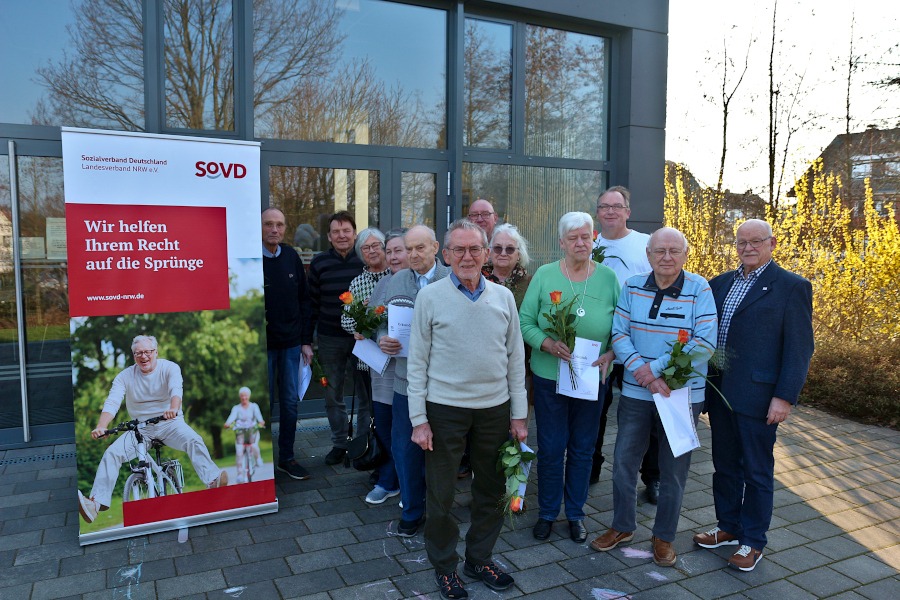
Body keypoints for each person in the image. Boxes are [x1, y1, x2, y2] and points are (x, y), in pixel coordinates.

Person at [408, 219, 528, 600]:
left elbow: (514, 360)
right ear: (446, 255)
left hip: (494, 410)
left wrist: (519, 414)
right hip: (444, 410)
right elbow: (417, 363)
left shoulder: (503, 297)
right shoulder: (430, 297)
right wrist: (418, 420)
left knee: (491, 490)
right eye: (458, 249)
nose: (467, 256)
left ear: (486, 253)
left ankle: (478, 559)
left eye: (475, 249)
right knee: (441, 495)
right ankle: (445, 567)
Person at [591, 227, 717, 568]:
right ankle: (622, 526)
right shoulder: (632, 287)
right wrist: (642, 373)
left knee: (673, 470)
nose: (666, 257)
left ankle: (664, 537)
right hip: (635, 393)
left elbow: (705, 342)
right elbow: (619, 333)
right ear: (648, 255)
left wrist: (655, 370)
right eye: (659, 250)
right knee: (622, 463)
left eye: (674, 250)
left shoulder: (699, 288)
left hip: (680, 396)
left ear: (685, 254)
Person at [692, 219, 813, 572]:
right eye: (741, 242)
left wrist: (785, 397)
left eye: (756, 241)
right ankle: (728, 526)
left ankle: (753, 541)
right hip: (720, 394)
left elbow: (799, 348)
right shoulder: (720, 283)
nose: (747, 248)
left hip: (760, 397)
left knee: (757, 472)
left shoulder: (791, 287)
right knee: (724, 466)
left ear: (772, 243)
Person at [519, 212, 619, 544]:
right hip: (549, 377)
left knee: (582, 448)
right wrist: (545, 343)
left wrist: (612, 354)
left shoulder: (608, 278)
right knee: (550, 447)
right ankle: (547, 512)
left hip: (591, 378)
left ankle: (575, 514)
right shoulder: (545, 276)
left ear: (593, 239)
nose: (580, 242)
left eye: (586, 236)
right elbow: (524, 321)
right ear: (561, 242)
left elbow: (622, 327)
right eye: (573, 237)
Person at [77, 335, 227, 523]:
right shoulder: (124, 376)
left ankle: (213, 480)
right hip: (140, 429)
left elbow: (176, 389)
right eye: (138, 353)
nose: (144, 356)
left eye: (148, 352)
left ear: (156, 352)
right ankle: (95, 504)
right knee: (111, 454)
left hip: (170, 424)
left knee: (193, 439)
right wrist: (101, 426)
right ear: (133, 356)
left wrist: (173, 408)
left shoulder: (170, 368)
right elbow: (113, 401)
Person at [376, 225, 452, 537]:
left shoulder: (452, 279)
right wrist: (382, 339)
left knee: (442, 454)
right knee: (405, 449)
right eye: (408, 249)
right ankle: (411, 510)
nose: (413, 254)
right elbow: (378, 322)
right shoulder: (395, 280)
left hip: (443, 384)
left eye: (420, 248)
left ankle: (439, 512)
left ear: (436, 247)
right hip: (405, 382)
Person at [589, 186, 660, 504]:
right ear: (598, 213)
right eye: (604, 207)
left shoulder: (645, 245)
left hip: (639, 345)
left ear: (628, 211)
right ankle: (589, 467)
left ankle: (653, 477)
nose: (610, 212)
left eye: (616, 206)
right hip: (598, 344)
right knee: (595, 412)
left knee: (647, 414)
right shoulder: (589, 244)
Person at [309, 210, 365, 466]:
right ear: (329, 237)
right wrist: (307, 340)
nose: (341, 235)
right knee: (333, 394)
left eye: (346, 230)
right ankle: (339, 443)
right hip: (330, 338)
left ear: (354, 233)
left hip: (363, 339)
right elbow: (311, 303)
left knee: (366, 393)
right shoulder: (319, 263)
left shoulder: (367, 259)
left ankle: (365, 443)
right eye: (336, 232)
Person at [261, 207, 313, 481]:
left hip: (292, 344)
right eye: (269, 224)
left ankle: (287, 458)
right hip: (263, 346)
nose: (274, 230)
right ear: (260, 227)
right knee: (263, 404)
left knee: (290, 404)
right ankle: (261, 463)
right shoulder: (252, 256)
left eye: (279, 225)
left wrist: (305, 340)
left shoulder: (291, 256)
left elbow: (304, 299)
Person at [357, 228, 407, 505]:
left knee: (407, 429)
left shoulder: (425, 282)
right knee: (385, 426)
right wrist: (379, 335)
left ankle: (396, 479)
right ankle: (394, 477)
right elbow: (371, 323)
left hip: (413, 371)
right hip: (384, 368)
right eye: (389, 252)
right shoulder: (382, 284)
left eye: (398, 250)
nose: (393, 256)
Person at [340, 227, 390, 482]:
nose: (371, 251)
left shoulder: (396, 275)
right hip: (366, 360)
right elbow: (346, 321)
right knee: (371, 412)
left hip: (393, 358)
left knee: (392, 412)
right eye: (365, 248)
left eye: (375, 245)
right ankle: (376, 460)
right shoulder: (357, 283)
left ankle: (392, 464)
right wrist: (359, 328)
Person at [223, 386, 266, 483]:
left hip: (252, 432)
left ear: (249, 396)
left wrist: (261, 422)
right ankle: (239, 474)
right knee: (239, 453)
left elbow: (259, 418)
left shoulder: (254, 406)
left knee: (254, 445)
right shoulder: (236, 408)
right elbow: (231, 417)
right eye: (242, 396)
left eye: (245, 396)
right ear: (240, 397)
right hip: (241, 433)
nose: (244, 398)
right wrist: (227, 423)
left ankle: (258, 458)